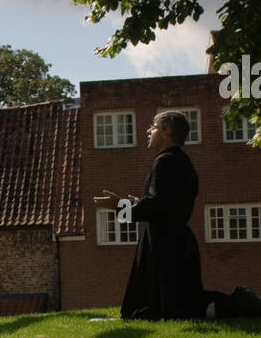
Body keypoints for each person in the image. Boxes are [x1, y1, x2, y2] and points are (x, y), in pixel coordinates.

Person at [94, 111, 261, 321]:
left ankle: (241, 305)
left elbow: (157, 206)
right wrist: (139, 203)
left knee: (177, 307)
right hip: (174, 242)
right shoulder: (179, 161)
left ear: (166, 132)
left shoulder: (165, 162)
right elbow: (166, 204)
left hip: (165, 245)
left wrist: (119, 206)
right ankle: (240, 306)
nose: (148, 131)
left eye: (154, 127)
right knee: (179, 302)